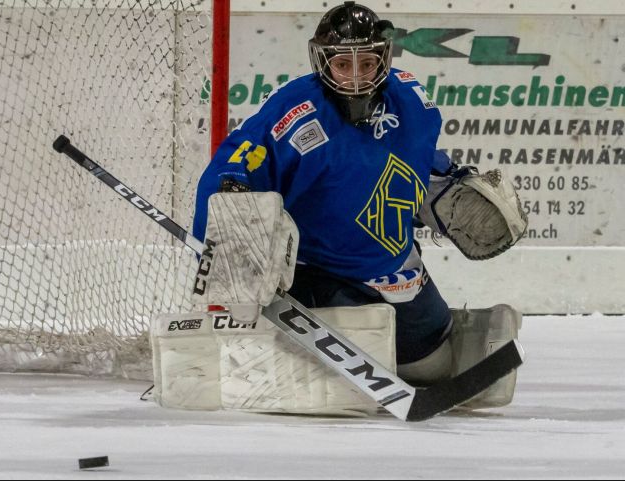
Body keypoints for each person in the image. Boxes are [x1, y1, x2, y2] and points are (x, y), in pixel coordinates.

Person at [193, 2, 489, 385]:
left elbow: (414, 156)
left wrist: (445, 177)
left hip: (394, 267)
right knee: (347, 359)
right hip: (316, 269)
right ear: (324, 62)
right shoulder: (295, 110)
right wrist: (229, 213)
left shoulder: (413, 100)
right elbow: (237, 161)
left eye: (366, 64)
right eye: (343, 65)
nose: (355, 77)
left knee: (431, 363)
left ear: (383, 59)